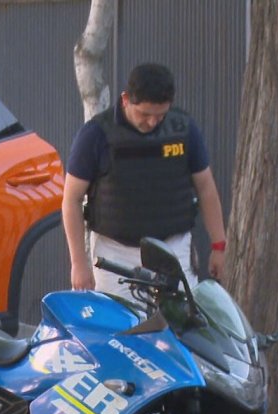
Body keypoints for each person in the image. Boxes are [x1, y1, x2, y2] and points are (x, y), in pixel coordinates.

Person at [62, 63, 228, 297]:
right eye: (145, 114)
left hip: (173, 249)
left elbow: (206, 188)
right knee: (121, 329)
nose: (152, 123)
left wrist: (219, 246)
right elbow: (72, 199)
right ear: (126, 99)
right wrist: (78, 263)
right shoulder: (96, 135)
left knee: (177, 328)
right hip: (115, 253)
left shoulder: (183, 129)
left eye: (160, 115)